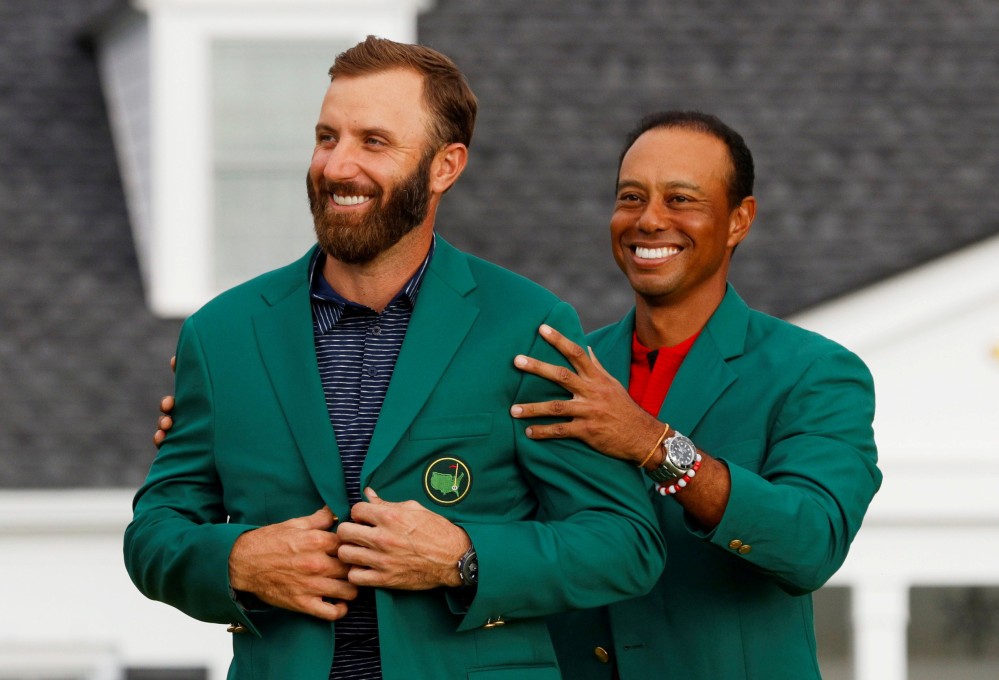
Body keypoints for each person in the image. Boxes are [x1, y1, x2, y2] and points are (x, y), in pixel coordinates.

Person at [124, 36, 664, 680]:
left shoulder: (527, 325)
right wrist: (236, 560)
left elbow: (624, 543)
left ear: (445, 166)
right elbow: (155, 531)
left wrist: (465, 559)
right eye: (328, 137)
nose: (337, 166)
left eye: (373, 142)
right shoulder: (222, 333)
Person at [508, 111, 882, 678]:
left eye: (681, 199)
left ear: (739, 220)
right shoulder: (561, 372)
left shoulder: (815, 372)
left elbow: (811, 544)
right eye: (631, 197)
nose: (649, 220)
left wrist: (653, 444)